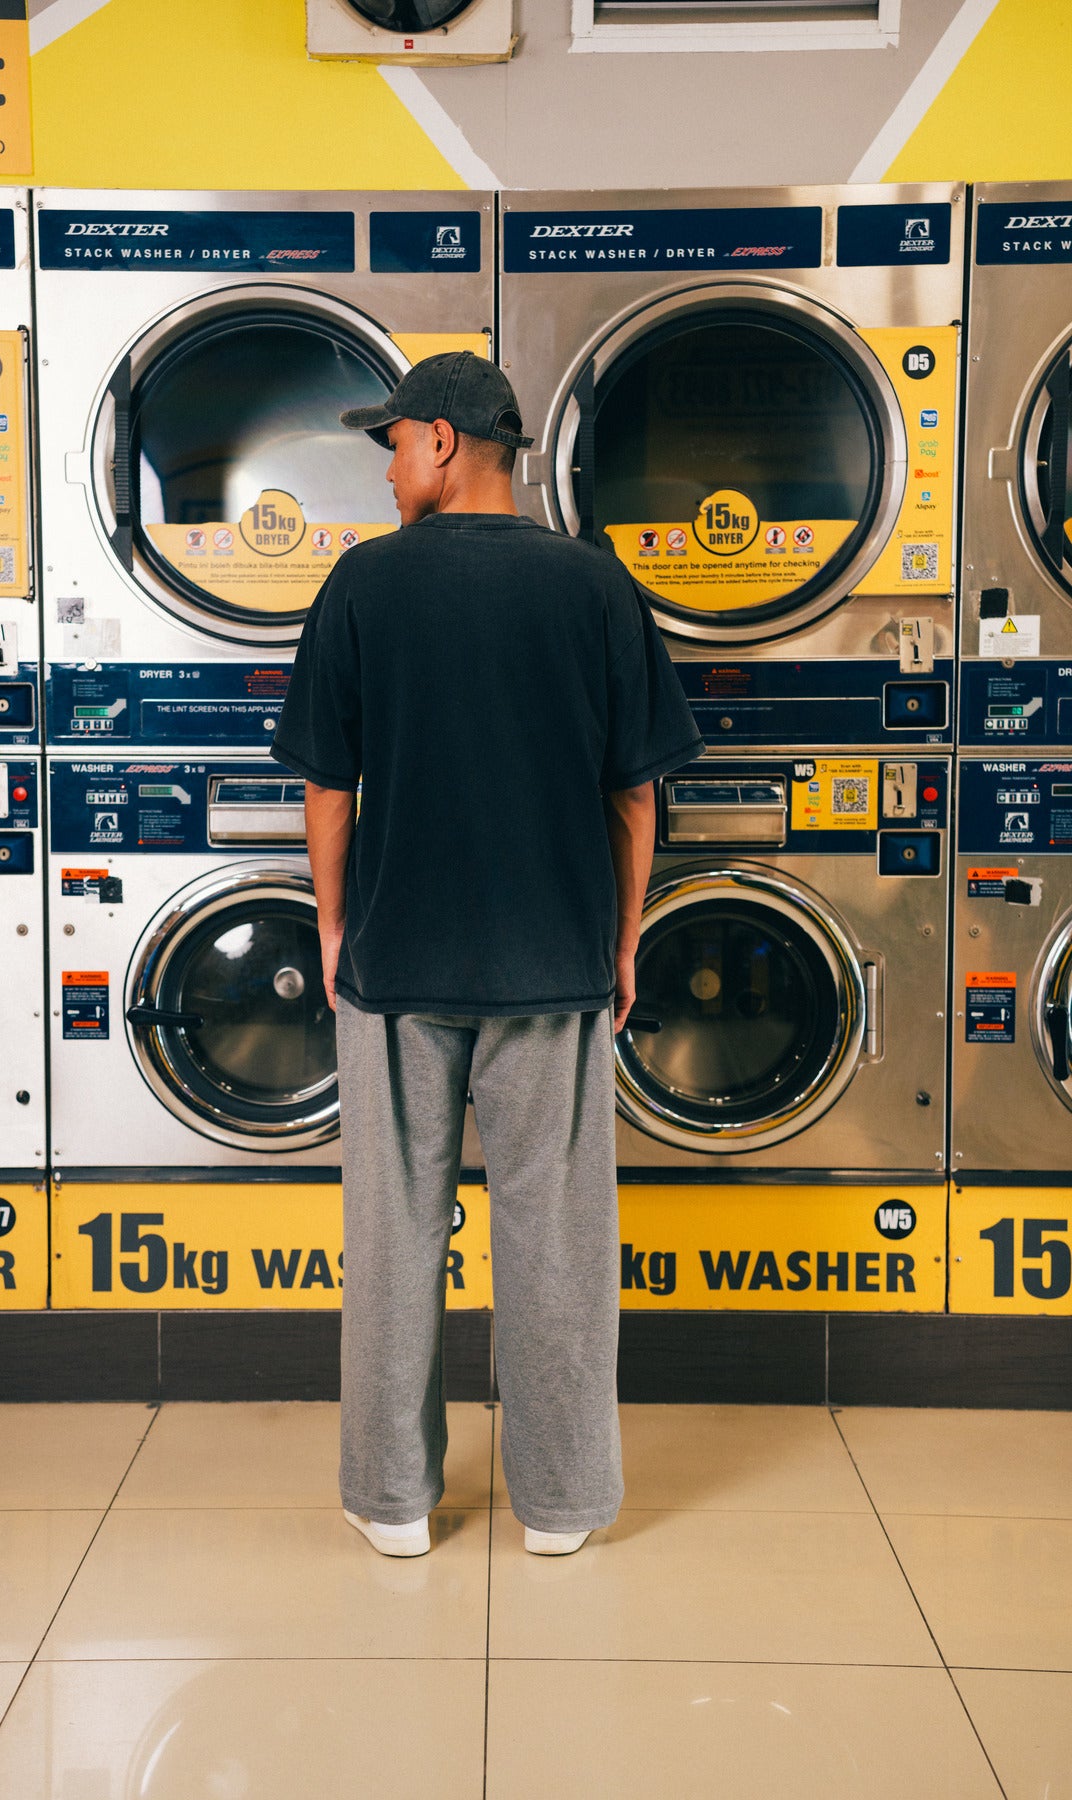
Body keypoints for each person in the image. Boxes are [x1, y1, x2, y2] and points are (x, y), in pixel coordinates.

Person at [273, 351, 702, 1559]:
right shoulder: (595, 587)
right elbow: (634, 799)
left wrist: (336, 921)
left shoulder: (364, 588)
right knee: (558, 1241)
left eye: (394, 443)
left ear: (447, 444)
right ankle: (561, 1506)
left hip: (399, 964)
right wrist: (619, 944)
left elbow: (327, 785)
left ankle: (393, 1501)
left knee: (393, 1235)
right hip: (553, 963)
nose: (389, 468)